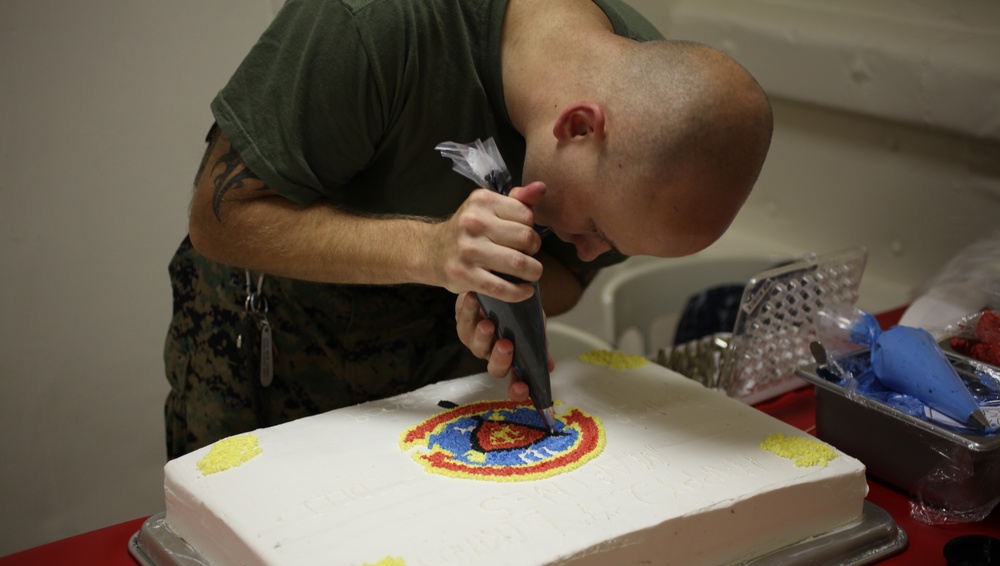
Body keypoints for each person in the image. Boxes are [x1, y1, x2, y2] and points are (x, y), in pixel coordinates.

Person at [164, 0, 773, 458]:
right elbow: (218, 219)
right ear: (579, 127)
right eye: (594, 227)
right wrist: (431, 252)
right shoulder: (376, 26)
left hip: (428, 360)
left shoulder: (652, 112)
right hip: (274, 342)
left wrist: (493, 289)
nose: (588, 249)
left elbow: (565, 279)